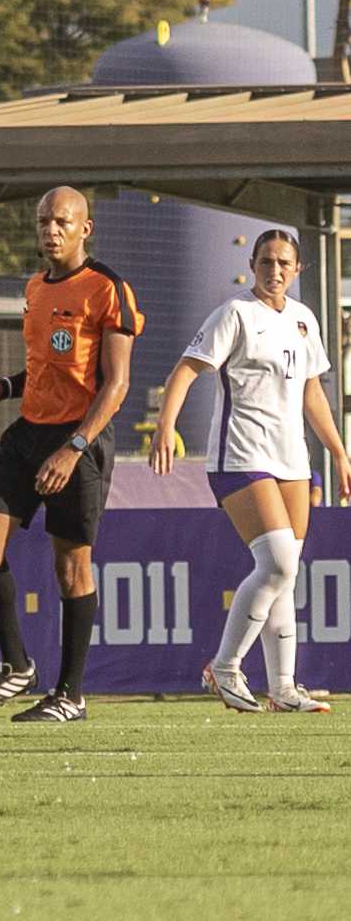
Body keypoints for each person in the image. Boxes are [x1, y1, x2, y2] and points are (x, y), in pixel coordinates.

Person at [0, 186, 141, 724]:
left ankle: (70, 695)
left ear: (85, 228)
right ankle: (16, 664)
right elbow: (46, 369)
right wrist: (2, 386)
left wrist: (75, 447)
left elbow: (116, 383)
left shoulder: (107, 288)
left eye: (62, 221)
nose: (50, 230)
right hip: (27, 433)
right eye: (43, 221)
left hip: (78, 440)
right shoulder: (35, 287)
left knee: (70, 567)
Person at [151, 229, 347, 713]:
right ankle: (224, 666)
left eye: (283, 263)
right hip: (239, 458)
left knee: (283, 573)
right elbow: (186, 370)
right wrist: (165, 426)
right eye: (265, 262)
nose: (274, 271)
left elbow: (313, 393)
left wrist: (340, 453)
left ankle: (283, 688)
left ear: (298, 270)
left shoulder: (303, 319)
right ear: (253, 264)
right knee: (278, 562)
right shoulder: (234, 314)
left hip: (292, 461)